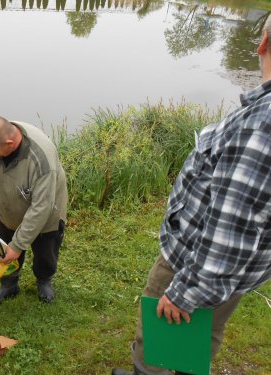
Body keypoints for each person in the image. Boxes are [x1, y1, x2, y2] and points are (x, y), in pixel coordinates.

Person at [113, 16, 271, 375]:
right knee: (203, 332)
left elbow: (232, 225)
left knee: (159, 335)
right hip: (233, 271)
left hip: (195, 265)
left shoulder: (261, 126)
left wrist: (185, 292)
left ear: (262, 44)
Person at [0, 114, 67, 304]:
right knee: (6, 249)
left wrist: (18, 245)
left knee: (46, 252)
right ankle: (9, 285)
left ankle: (44, 280)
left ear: (9, 143)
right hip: (10, 208)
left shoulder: (41, 159)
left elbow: (41, 206)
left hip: (47, 211)